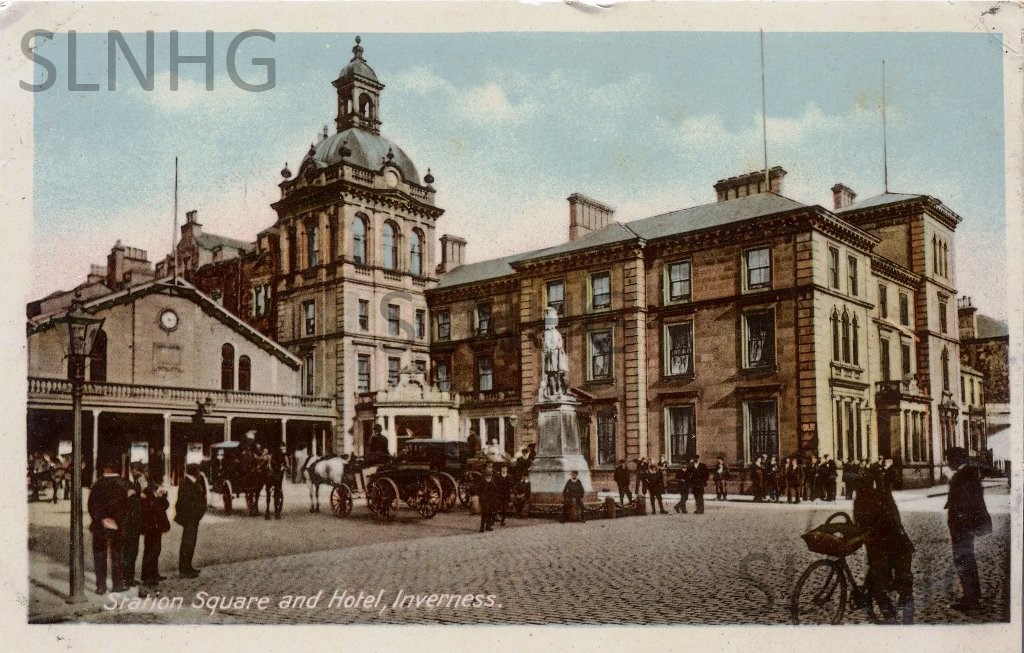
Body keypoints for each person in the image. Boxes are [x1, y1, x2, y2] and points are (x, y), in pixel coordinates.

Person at [853, 479, 915, 623]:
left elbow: (860, 527)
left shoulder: (861, 501)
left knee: (877, 587)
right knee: (905, 587)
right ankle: (908, 621)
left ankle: (891, 619)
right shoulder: (885, 495)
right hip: (902, 546)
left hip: (882, 549)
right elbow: (895, 519)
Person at [944, 447, 992, 612]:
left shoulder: (963, 475)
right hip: (965, 526)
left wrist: (958, 524)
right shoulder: (968, 473)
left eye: (949, 459)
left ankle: (970, 600)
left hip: (962, 527)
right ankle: (971, 596)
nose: (948, 463)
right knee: (966, 559)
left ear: (957, 460)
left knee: (963, 560)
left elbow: (963, 503)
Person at [88, 461, 129, 594]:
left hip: (99, 525)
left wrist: (101, 519)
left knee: (99, 554)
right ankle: (117, 585)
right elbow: (126, 506)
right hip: (117, 525)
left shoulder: (97, 484)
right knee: (117, 555)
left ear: (105, 469)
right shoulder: (123, 484)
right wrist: (116, 520)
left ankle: (101, 586)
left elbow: (91, 505)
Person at [174, 462, 207, 578]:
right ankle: (184, 569)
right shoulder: (186, 483)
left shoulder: (193, 482)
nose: (199, 473)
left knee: (191, 543)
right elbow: (184, 503)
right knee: (187, 543)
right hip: (189, 518)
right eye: (198, 471)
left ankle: (188, 566)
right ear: (194, 472)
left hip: (193, 518)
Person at [139, 475, 170, 586]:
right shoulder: (146, 493)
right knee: (150, 551)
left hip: (157, 526)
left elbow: (165, 506)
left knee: (156, 550)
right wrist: (157, 499)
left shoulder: (156, 492)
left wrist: (163, 497)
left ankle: (154, 573)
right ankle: (147, 576)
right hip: (150, 526)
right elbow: (146, 509)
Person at [122, 463, 144, 587]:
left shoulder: (136, 483)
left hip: (135, 522)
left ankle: (130, 577)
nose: (139, 474)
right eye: (138, 471)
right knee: (127, 551)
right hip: (127, 523)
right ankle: (125, 578)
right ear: (133, 470)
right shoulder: (126, 483)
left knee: (134, 550)